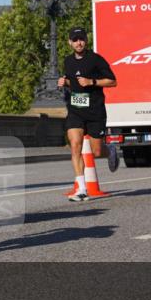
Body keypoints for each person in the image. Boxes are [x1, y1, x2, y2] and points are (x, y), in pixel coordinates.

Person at [58, 27, 118, 202]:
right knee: (75, 145)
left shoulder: (96, 59)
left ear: (86, 40)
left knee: (97, 151)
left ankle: (111, 150)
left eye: (81, 39)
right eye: (75, 40)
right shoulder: (68, 61)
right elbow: (73, 82)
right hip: (76, 110)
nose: (79, 42)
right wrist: (65, 82)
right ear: (70, 42)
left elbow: (113, 81)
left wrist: (92, 81)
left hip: (95, 111)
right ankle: (81, 188)